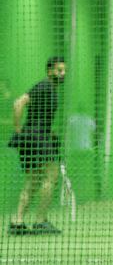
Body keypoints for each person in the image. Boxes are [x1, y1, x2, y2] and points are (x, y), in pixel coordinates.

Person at [7, 57, 67, 235]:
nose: (63, 74)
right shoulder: (44, 86)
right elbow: (18, 103)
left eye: (64, 71)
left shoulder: (50, 89)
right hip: (36, 137)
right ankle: (40, 221)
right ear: (49, 71)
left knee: (33, 180)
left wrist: (48, 132)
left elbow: (38, 115)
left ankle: (17, 222)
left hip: (37, 136)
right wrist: (18, 130)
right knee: (52, 174)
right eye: (59, 70)